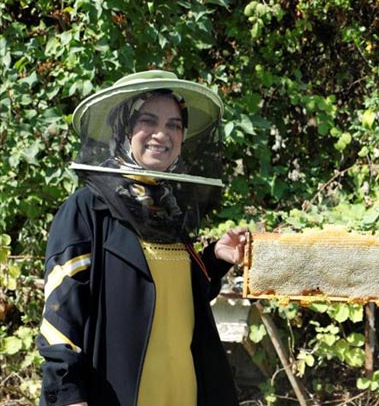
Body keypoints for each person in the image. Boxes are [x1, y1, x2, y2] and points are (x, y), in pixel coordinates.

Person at [37, 70, 248, 406]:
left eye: (174, 125)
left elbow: (171, 298)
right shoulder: (88, 209)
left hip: (184, 391)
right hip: (116, 394)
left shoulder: (169, 211)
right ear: (123, 129)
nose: (162, 134)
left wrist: (214, 259)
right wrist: (67, 393)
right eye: (148, 121)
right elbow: (61, 312)